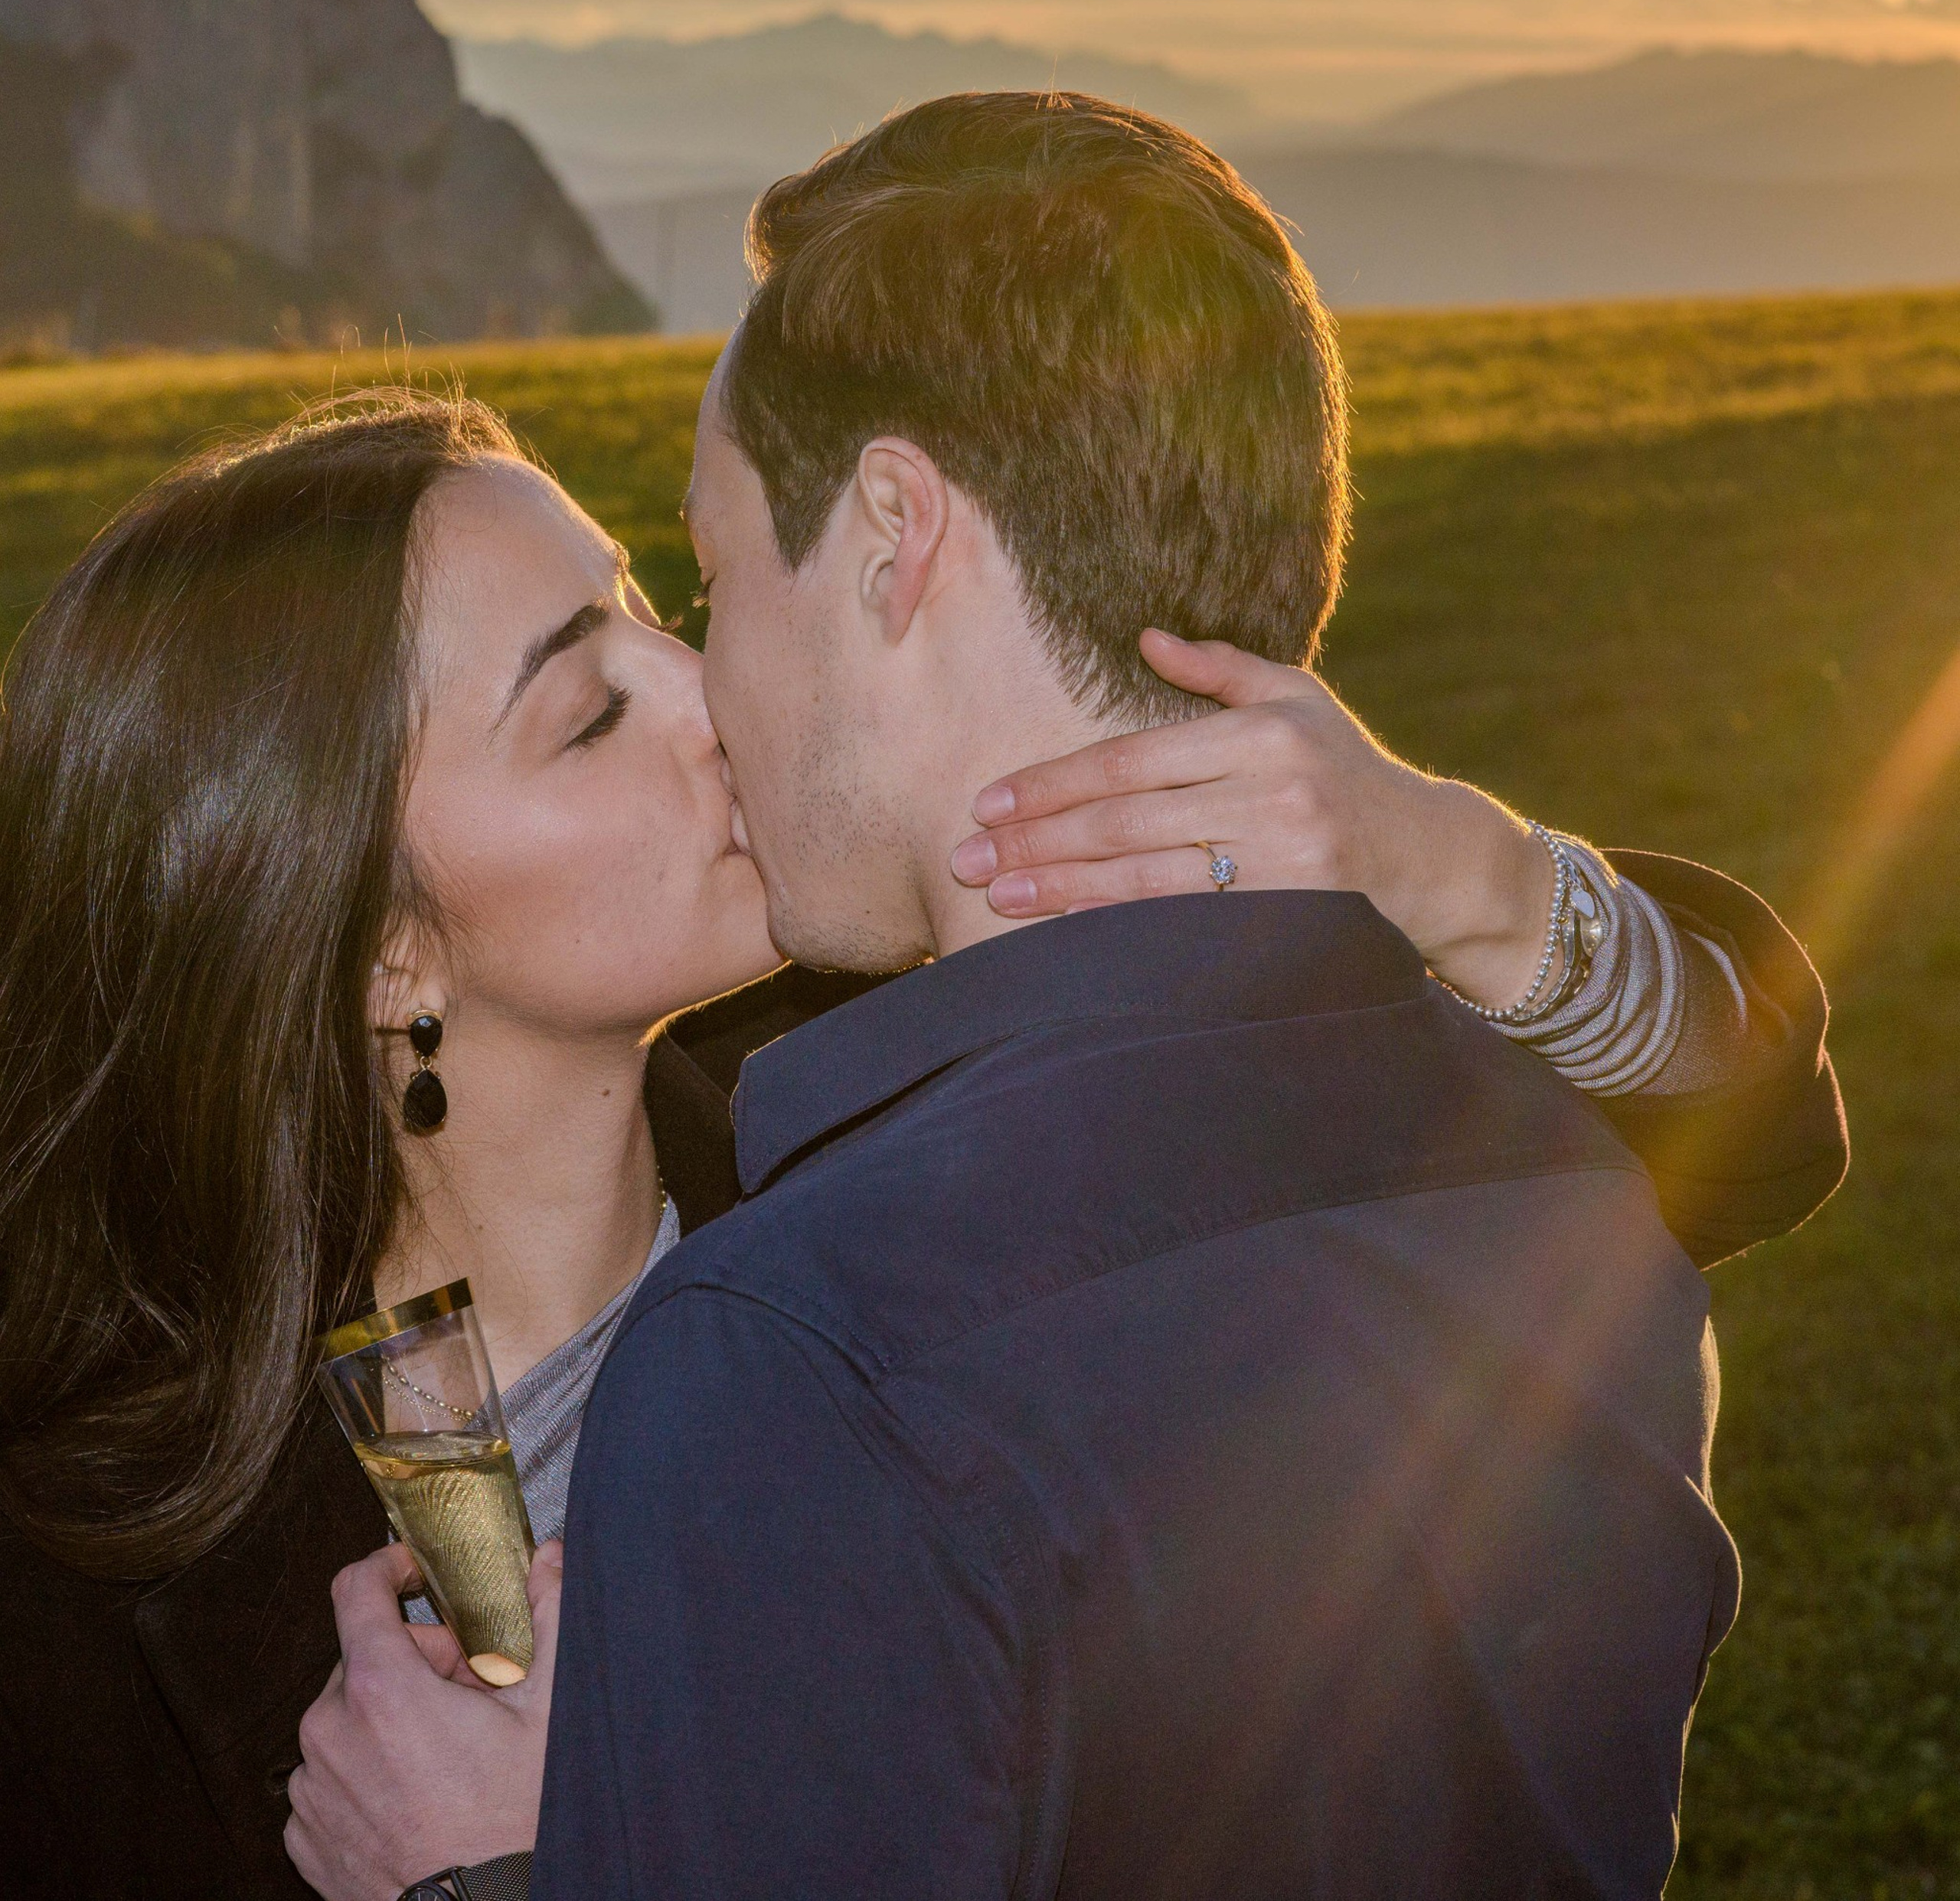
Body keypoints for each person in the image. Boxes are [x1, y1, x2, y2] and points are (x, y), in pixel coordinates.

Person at [286, 94, 1847, 1901]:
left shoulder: (796, 1353)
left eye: (709, 577)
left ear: (892, 532)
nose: (710, 681)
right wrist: (1469, 882)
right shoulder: (1547, 1156)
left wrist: (491, 1877)